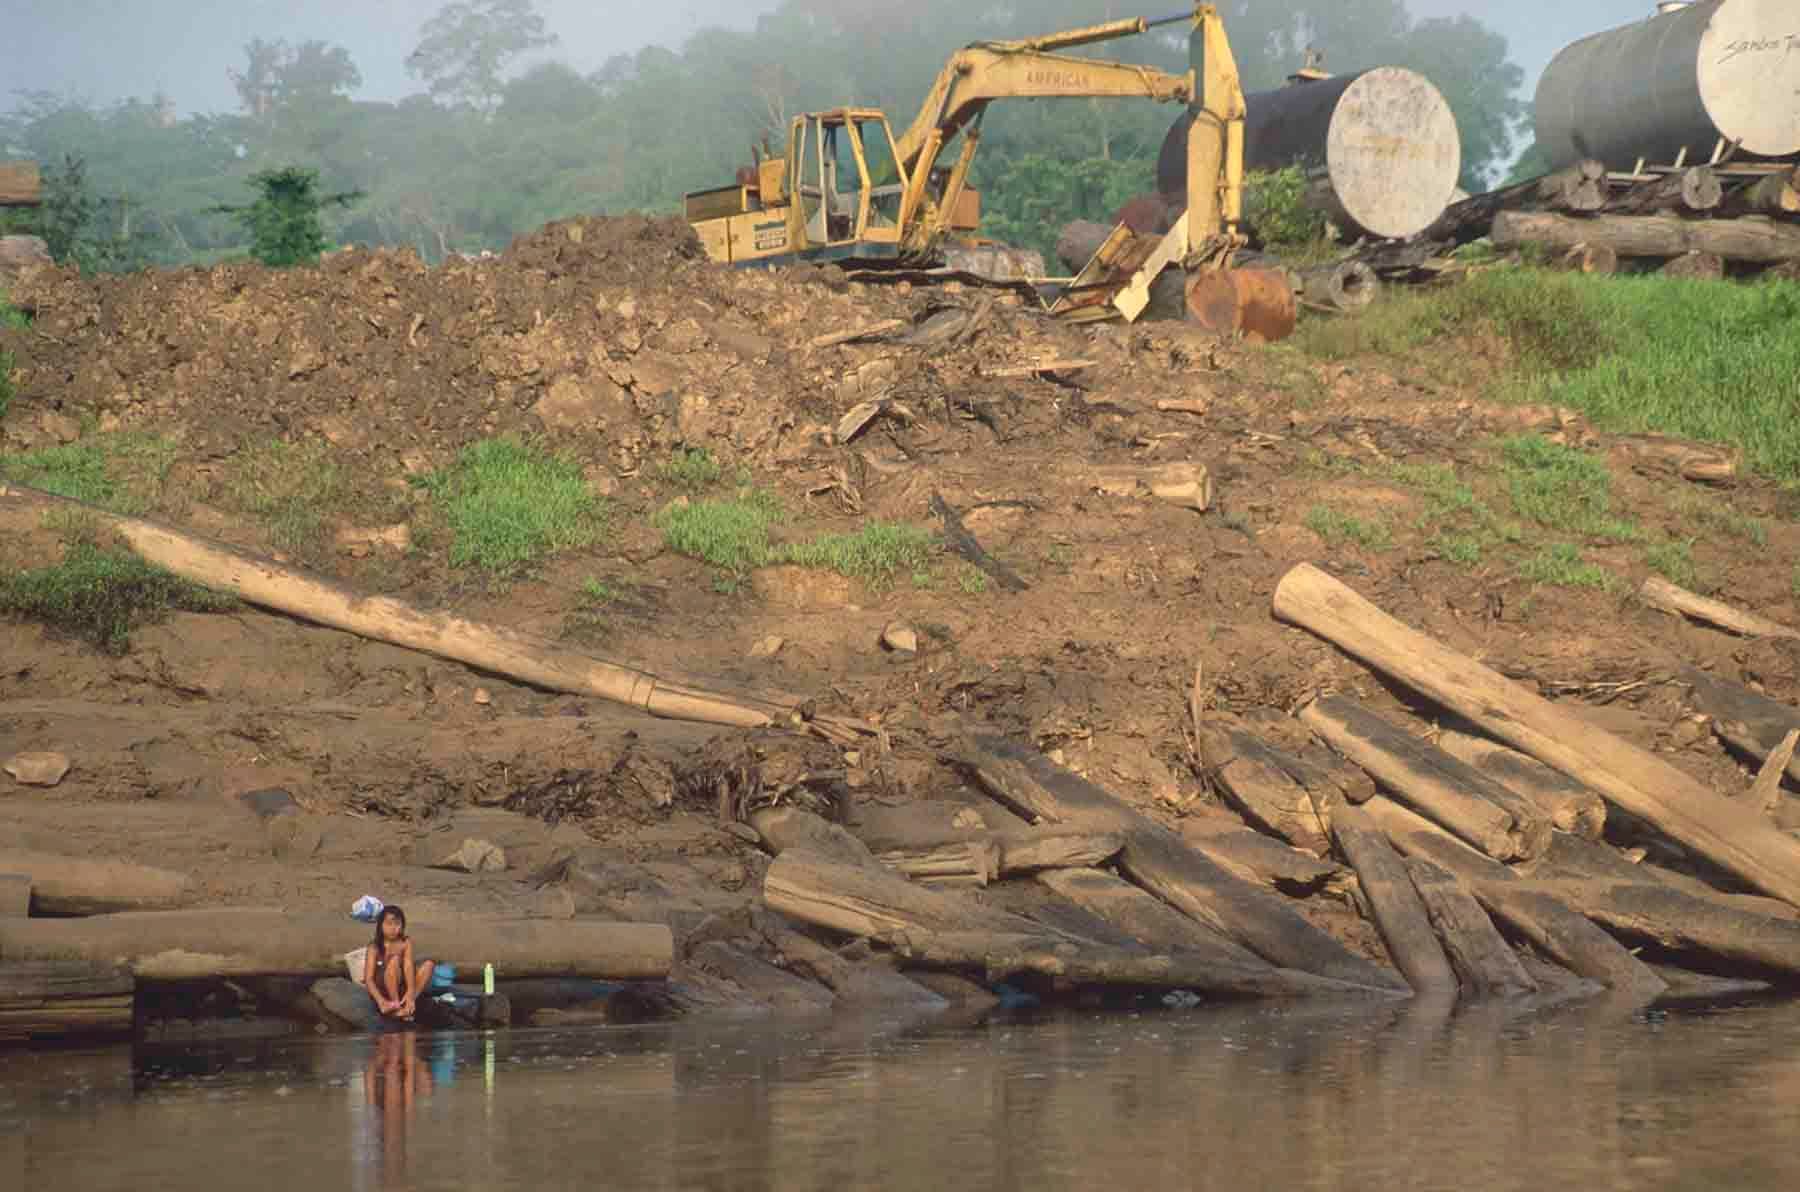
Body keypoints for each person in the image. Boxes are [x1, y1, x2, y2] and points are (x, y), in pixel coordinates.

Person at [362, 904, 435, 1021]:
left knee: (429, 964)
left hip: (401, 984)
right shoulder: (374, 946)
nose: (393, 928)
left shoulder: (405, 942)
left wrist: (411, 991)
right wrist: (381, 1001)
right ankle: (397, 1007)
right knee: (395, 960)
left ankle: (408, 1003)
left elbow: (408, 966)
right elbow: (368, 979)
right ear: (380, 926)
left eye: (397, 924)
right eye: (389, 924)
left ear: (402, 926)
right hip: (383, 988)